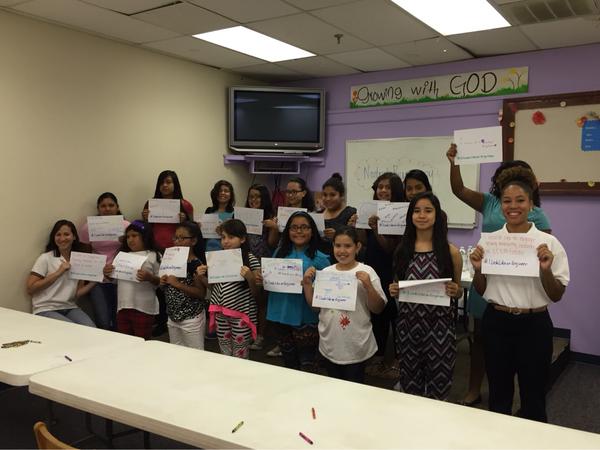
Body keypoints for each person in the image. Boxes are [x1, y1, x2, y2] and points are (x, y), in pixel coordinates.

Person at [446, 144, 552, 406]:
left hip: (514, 288)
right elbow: (458, 190)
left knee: (515, 354)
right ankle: (474, 388)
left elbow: (544, 254)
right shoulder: (490, 202)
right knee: (481, 339)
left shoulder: (537, 214)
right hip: (486, 280)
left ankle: (513, 396)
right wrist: (454, 163)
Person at [469, 167, 569, 422]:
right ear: (501, 205)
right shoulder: (490, 242)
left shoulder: (549, 244)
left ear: (531, 204)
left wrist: (545, 270)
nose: (513, 206)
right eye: (507, 201)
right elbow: (481, 289)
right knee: (498, 395)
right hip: (497, 322)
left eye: (520, 200)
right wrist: (478, 269)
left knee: (534, 397)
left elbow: (557, 295)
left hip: (534, 325)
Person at [389, 192, 462, 400]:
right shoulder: (402, 250)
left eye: (428, 211)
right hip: (408, 329)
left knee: (439, 388)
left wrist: (455, 290)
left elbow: (457, 291)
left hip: (440, 330)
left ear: (437, 215)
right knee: (410, 388)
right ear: (410, 216)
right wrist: (393, 290)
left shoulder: (450, 252)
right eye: (417, 211)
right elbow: (398, 286)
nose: (422, 215)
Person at [303, 227, 386, 383]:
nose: (342, 251)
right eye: (338, 245)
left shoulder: (367, 271)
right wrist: (307, 285)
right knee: (333, 382)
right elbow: (315, 307)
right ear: (333, 246)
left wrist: (368, 286)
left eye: (347, 246)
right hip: (330, 340)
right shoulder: (326, 272)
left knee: (355, 384)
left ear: (357, 247)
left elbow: (378, 308)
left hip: (355, 342)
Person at [349, 172, 404, 378]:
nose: (383, 190)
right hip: (374, 268)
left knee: (395, 315)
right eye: (380, 187)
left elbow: (391, 249)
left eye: (387, 187)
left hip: (392, 270)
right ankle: (379, 356)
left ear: (396, 190)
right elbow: (364, 242)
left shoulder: (401, 212)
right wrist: (357, 226)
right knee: (377, 313)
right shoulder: (370, 209)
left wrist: (376, 228)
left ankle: (398, 360)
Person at [266, 211, 330, 372]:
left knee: (308, 365)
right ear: (288, 231)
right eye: (294, 227)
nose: (299, 231)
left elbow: (326, 292)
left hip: (306, 318)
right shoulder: (279, 253)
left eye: (304, 227)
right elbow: (272, 281)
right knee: (289, 362)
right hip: (280, 315)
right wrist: (263, 278)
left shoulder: (321, 258)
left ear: (312, 231)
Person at [197, 219, 260, 359]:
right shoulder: (218, 259)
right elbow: (213, 288)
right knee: (224, 348)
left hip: (241, 313)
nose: (225, 241)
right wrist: (202, 277)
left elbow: (257, 294)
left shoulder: (250, 259)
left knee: (240, 351)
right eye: (223, 237)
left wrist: (250, 277)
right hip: (220, 312)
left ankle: (239, 372)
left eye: (231, 237)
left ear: (242, 239)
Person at [142, 170, 194, 336]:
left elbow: (193, 228)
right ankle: (162, 320)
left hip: (176, 251)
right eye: (162, 182)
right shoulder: (150, 204)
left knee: (174, 285)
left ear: (175, 184)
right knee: (159, 285)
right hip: (156, 251)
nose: (165, 185)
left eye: (169, 182)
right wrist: (144, 218)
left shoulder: (185, 204)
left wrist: (185, 219)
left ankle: (176, 317)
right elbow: (146, 229)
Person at [26, 220, 96, 326]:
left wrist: (95, 281)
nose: (62, 238)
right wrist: (58, 272)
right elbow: (30, 289)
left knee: (91, 328)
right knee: (70, 330)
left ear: (74, 237)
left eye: (66, 234)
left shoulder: (79, 260)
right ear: (53, 238)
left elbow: (77, 293)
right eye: (58, 235)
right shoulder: (45, 258)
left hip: (70, 307)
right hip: (45, 308)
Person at [79, 192, 130, 330]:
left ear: (117, 207)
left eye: (111, 205)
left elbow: (132, 252)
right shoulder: (88, 227)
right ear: (98, 209)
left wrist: (123, 242)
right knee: (103, 320)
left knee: (120, 316)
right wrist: (98, 269)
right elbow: (85, 254)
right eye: (103, 206)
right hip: (97, 278)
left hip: (120, 276)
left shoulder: (126, 226)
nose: (107, 209)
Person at [103, 220, 160, 339]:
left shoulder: (153, 255)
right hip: (123, 307)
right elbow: (115, 280)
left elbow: (161, 282)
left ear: (145, 236)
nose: (130, 239)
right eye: (128, 236)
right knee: (125, 340)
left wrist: (150, 278)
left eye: (134, 236)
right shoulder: (122, 256)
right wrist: (108, 274)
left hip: (144, 308)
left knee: (142, 340)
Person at [160, 221, 206, 349]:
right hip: (173, 316)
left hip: (190, 318)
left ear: (193, 241)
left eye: (182, 238)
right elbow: (165, 287)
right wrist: (162, 282)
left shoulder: (196, 264)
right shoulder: (170, 260)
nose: (177, 241)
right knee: (176, 352)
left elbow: (201, 293)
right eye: (175, 238)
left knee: (195, 354)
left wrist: (177, 284)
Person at [243, 184, 278, 350]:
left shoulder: (271, 217)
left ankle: (261, 336)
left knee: (262, 301)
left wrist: (273, 228)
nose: (254, 200)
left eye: (257, 196)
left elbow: (272, 243)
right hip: (245, 262)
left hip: (264, 264)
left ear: (264, 198)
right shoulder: (242, 215)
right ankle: (247, 332)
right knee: (247, 298)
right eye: (251, 196)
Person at [319, 173, 357, 260]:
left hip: (342, 259)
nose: (328, 198)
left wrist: (337, 236)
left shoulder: (350, 213)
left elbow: (357, 241)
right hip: (321, 261)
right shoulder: (318, 214)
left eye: (332, 195)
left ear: (342, 196)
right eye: (325, 195)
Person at [203, 180, 235, 252]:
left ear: (231, 195)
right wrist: (199, 227)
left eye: (226, 191)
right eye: (220, 191)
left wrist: (223, 232)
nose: (222, 193)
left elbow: (236, 236)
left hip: (226, 251)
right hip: (208, 249)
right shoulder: (209, 210)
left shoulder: (235, 213)